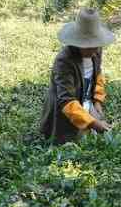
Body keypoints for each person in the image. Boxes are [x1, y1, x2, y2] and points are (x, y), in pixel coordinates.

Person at [40, 8, 115, 144]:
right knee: (67, 143)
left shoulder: (96, 49)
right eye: (89, 47)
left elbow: (97, 75)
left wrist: (97, 102)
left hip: (85, 101)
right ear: (78, 43)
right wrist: (93, 123)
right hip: (65, 112)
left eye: (96, 46)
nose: (94, 51)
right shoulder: (64, 61)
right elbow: (67, 101)